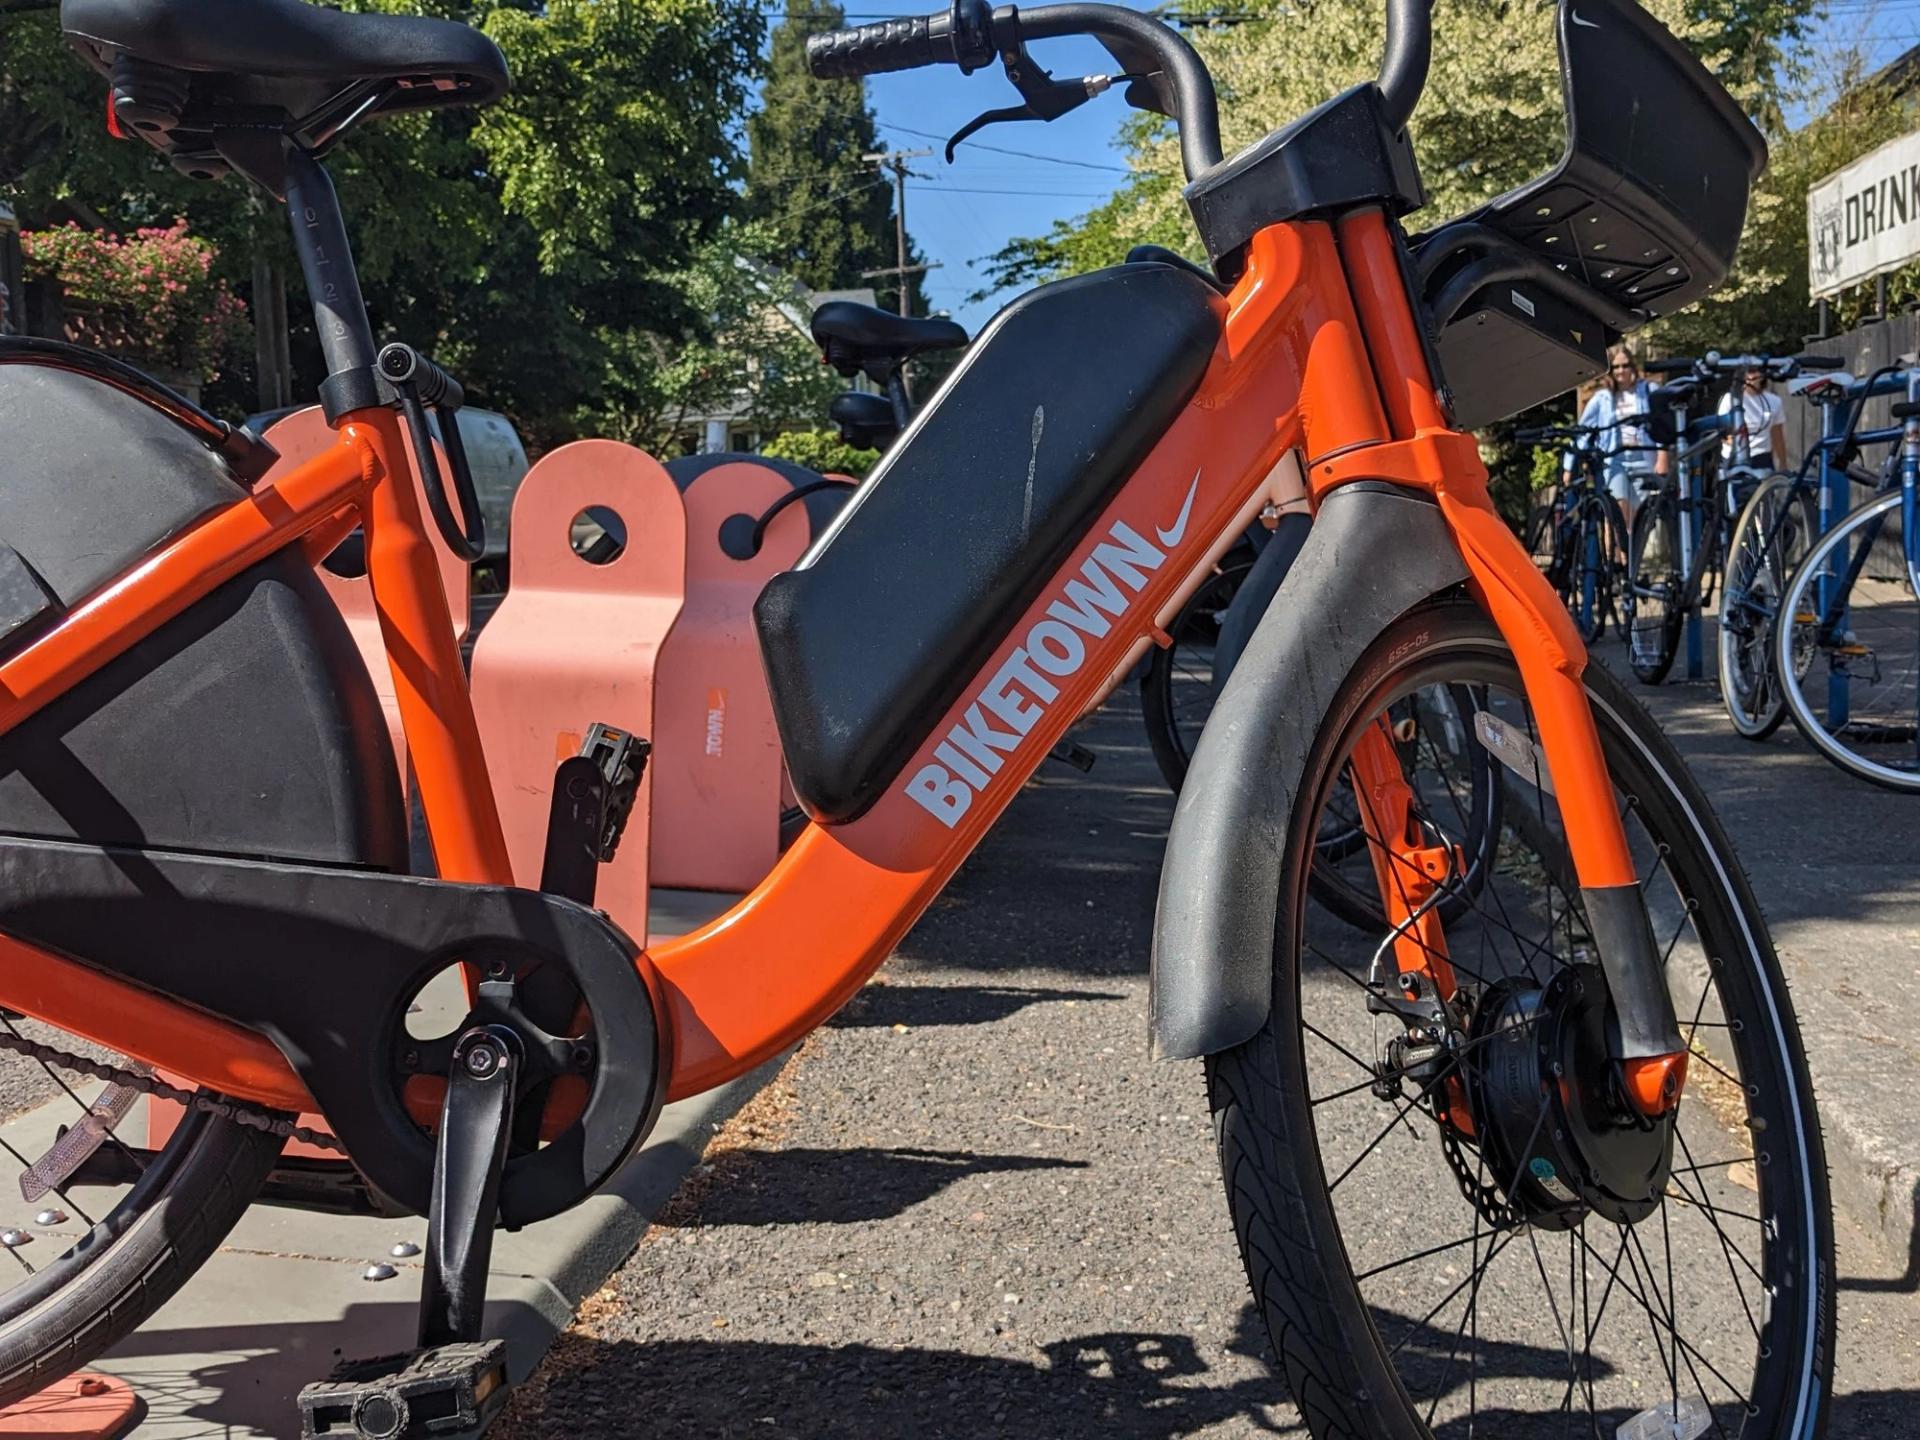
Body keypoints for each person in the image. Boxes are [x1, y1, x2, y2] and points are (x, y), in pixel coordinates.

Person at [1564, 345, 1663, 531]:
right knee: (1618, 511)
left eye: (1625, 366)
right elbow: (1582, 431)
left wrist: (1662, 455)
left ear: (1632, 367)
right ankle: (1617, 558)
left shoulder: (1647, 391)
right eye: (1616, 367)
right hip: (1615, 459)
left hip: (1643, 457)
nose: (1621, 371)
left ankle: (1631, 558)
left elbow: (1660, 423)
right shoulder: (1602, 398)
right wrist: (1570, 465)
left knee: (1640, 518)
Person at [1717, 363, 1787, 473]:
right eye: (1746, 379)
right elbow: (1722, 432)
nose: (1749, 382)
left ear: (1761, 377)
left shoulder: (1774, 401)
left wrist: (1783, 462)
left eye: (1753, 378)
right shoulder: (1729, 399)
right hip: (1734, 456)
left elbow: (1777, 435)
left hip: (1762, 457)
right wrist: (1737, 443)